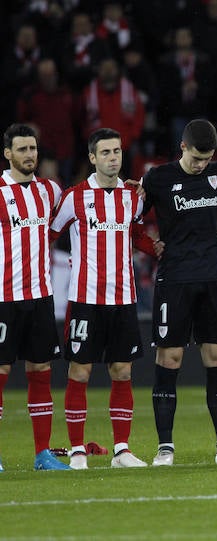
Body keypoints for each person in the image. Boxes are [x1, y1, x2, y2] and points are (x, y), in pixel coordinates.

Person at [141, 119, 217, 466]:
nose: (201, 164)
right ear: (183, 147)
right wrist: (148, 245)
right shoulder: (158, 178)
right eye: (196, 157)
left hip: (213, 278)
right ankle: (165, 448)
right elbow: (130, 216)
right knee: (169, 359)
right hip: (174, 280)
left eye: (207, 158)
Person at [50, 128, 158, 469]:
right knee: (79, 373)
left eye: (117, 152)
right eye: (106, 153)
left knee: (122, 371)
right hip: (84, 300)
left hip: (123, 300)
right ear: (93, 158)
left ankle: (121, 450)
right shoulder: (74, 198)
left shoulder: (133, 197)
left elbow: (137, 232)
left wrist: (156, 248)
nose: (114, 158)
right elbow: (49, 235)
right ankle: (78, 449)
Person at [0, 124, 69, 471]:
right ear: (8, 153)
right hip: (4, 297)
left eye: (33, 149)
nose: (30, 155)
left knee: (40, 370)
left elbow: (80, 202)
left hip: (41, 295)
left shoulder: (49, 191)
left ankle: (43, 454)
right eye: (22, 149)